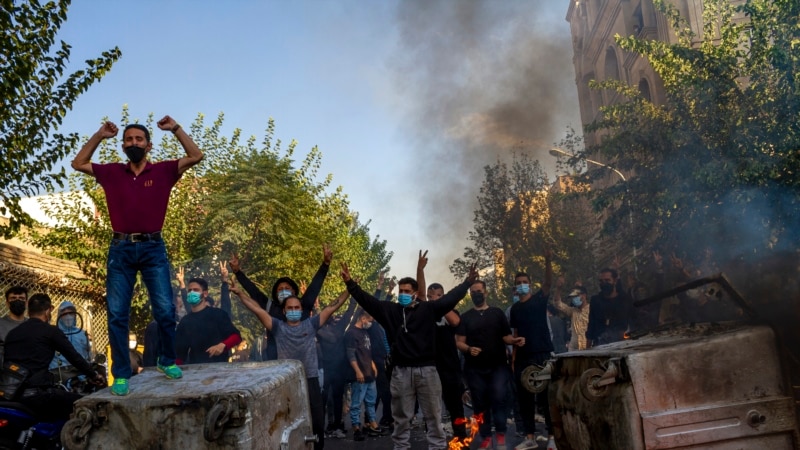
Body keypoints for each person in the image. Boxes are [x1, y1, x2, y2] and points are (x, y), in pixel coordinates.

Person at [71, 117, 203, 396]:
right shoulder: (111, 173)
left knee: (165, 310)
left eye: (138, 139)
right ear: (122, 145)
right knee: (118, 314)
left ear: (149, 145)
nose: (133, 143)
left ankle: (166, 361)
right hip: (121, 249)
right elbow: (78, 163)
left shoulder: (165, 171)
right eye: (129, 140)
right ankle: (120, 374)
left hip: (154, 247)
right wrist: (99, 135)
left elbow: (196, 155)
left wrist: (176, 129)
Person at [340, 252, 478, 450]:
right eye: (400, 290)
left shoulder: (428, 309)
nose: (402, 294)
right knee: (402, 418)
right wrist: (350, 283)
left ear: (415, 293)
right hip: (401, 372)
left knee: (433, 416)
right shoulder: (391, 310)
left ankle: (437, 447)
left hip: (428, 371)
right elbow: (367, 300)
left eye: (407, 291)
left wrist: (467, 283)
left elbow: (449, 299)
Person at [232, 280, 349, 450]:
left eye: (296, 308)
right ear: (284, 311)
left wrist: (349, 288)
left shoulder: (311, 324)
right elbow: (256, 308)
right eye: (290, 308)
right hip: (287, 382)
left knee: (317, 421)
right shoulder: (277, 327)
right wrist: (240, 293)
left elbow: (332, 307)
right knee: (288, 421)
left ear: (301, 310)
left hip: (310, 379)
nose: (293, 311)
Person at [4, 293, 105, 421]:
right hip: (39, 395)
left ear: (29, 311)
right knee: (87, 405)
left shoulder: (13, 334)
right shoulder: (50, 331)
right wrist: (94, 375)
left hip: (12, 395)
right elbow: (74, 357)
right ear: (47, 311)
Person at [228, 245, 332, 361]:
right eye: (280, 289)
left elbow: (315, 286)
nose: (284, 291)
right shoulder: (269, 306)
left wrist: (325, 265)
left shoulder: (303, 304)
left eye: (287, 288)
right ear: (276, 293)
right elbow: (253, 291)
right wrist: (237, 272)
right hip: (276, 361)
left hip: (303, 362)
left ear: (293, 291)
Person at [457, 279, 524, 450]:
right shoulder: (465, 317)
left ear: (485, 293)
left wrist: (514, 340)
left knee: (499, 398)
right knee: (480, 403)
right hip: (474, 369)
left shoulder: (497, 313)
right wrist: (468, 348)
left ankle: (500, 434)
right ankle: (486, 437)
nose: (476, 294)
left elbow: (506, 337)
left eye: (479, 291)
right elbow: (459, 342)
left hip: (498, 366)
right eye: (473, 292)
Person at [509, 252, 555, 449]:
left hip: (542, 354)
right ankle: (530, 437)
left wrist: (547, 260)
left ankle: (553, 436)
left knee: (546, 398)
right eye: (518, 282)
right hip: (523, 358)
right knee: (525, 399)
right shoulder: (514, 309)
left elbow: (548, 283)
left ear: (530, 283)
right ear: (515, 286)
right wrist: (513, 360)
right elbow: (516, 333)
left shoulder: (539, 300)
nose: (521, 284)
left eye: (524, 281)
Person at [429, 282, 467, 440]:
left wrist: (441, 305)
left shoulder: (451, 312)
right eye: (430, 296)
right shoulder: (425, 313)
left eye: (438, 296)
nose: (434, 299)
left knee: (456, 408)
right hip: (430, 368)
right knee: (432, 409)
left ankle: (461, 440)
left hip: (450, 367)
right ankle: (435, 441)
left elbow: (455, 322)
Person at [175, 277, 242, 364]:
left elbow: (236, 337)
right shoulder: (185, 321)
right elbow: (180, 355)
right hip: (196, 371)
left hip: (220, 370)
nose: (192, 293)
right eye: (189, 290)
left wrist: (223, 345)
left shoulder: (218, 315)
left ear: (205, 293)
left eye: (196, 290)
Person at [345, 310, 383, 441]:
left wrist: (372, 365)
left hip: (369, 373)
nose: (370, 322)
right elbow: (350, 354)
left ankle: (372, 423)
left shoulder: (365, 332)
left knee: (371, 401)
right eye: (369, 319)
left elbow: (367, 351)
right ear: (362, 318)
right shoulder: (351, 333)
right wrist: (357, 371)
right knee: (356, 403)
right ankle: (356, 427)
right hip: (360, 374)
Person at [586, 268, 633, 347]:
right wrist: (587, 347)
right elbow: (591, 324)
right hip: (600, 342)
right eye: (601, 281)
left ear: (614, 281)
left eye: (607, 280)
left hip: (622, 343)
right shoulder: (595, 301)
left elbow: (632, 320)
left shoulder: (624, 299)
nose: (604, 283)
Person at [49, 301, 93, 385]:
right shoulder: (54, 334)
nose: (68, 316)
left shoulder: (82, 334)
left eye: (70, 313)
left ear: (75, 315)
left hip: (81, 375)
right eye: (65, 314)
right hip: (60, 375)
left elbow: (88, 355)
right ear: (60, 316)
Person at [550, 282, 591, 351]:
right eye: (572, 297)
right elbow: (557, 303)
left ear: (584, 296)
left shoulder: (592, 310)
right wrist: (558, 289)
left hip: (589, 347)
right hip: (573, 348)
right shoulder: (572, 311)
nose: (574, 299)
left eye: (576, 297)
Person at [0, 286, 28, 364]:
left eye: (21, 298)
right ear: (7, 303)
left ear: (26, 303)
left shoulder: (32, 324)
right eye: (13, 298)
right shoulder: (1, 324)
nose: (17, 300)